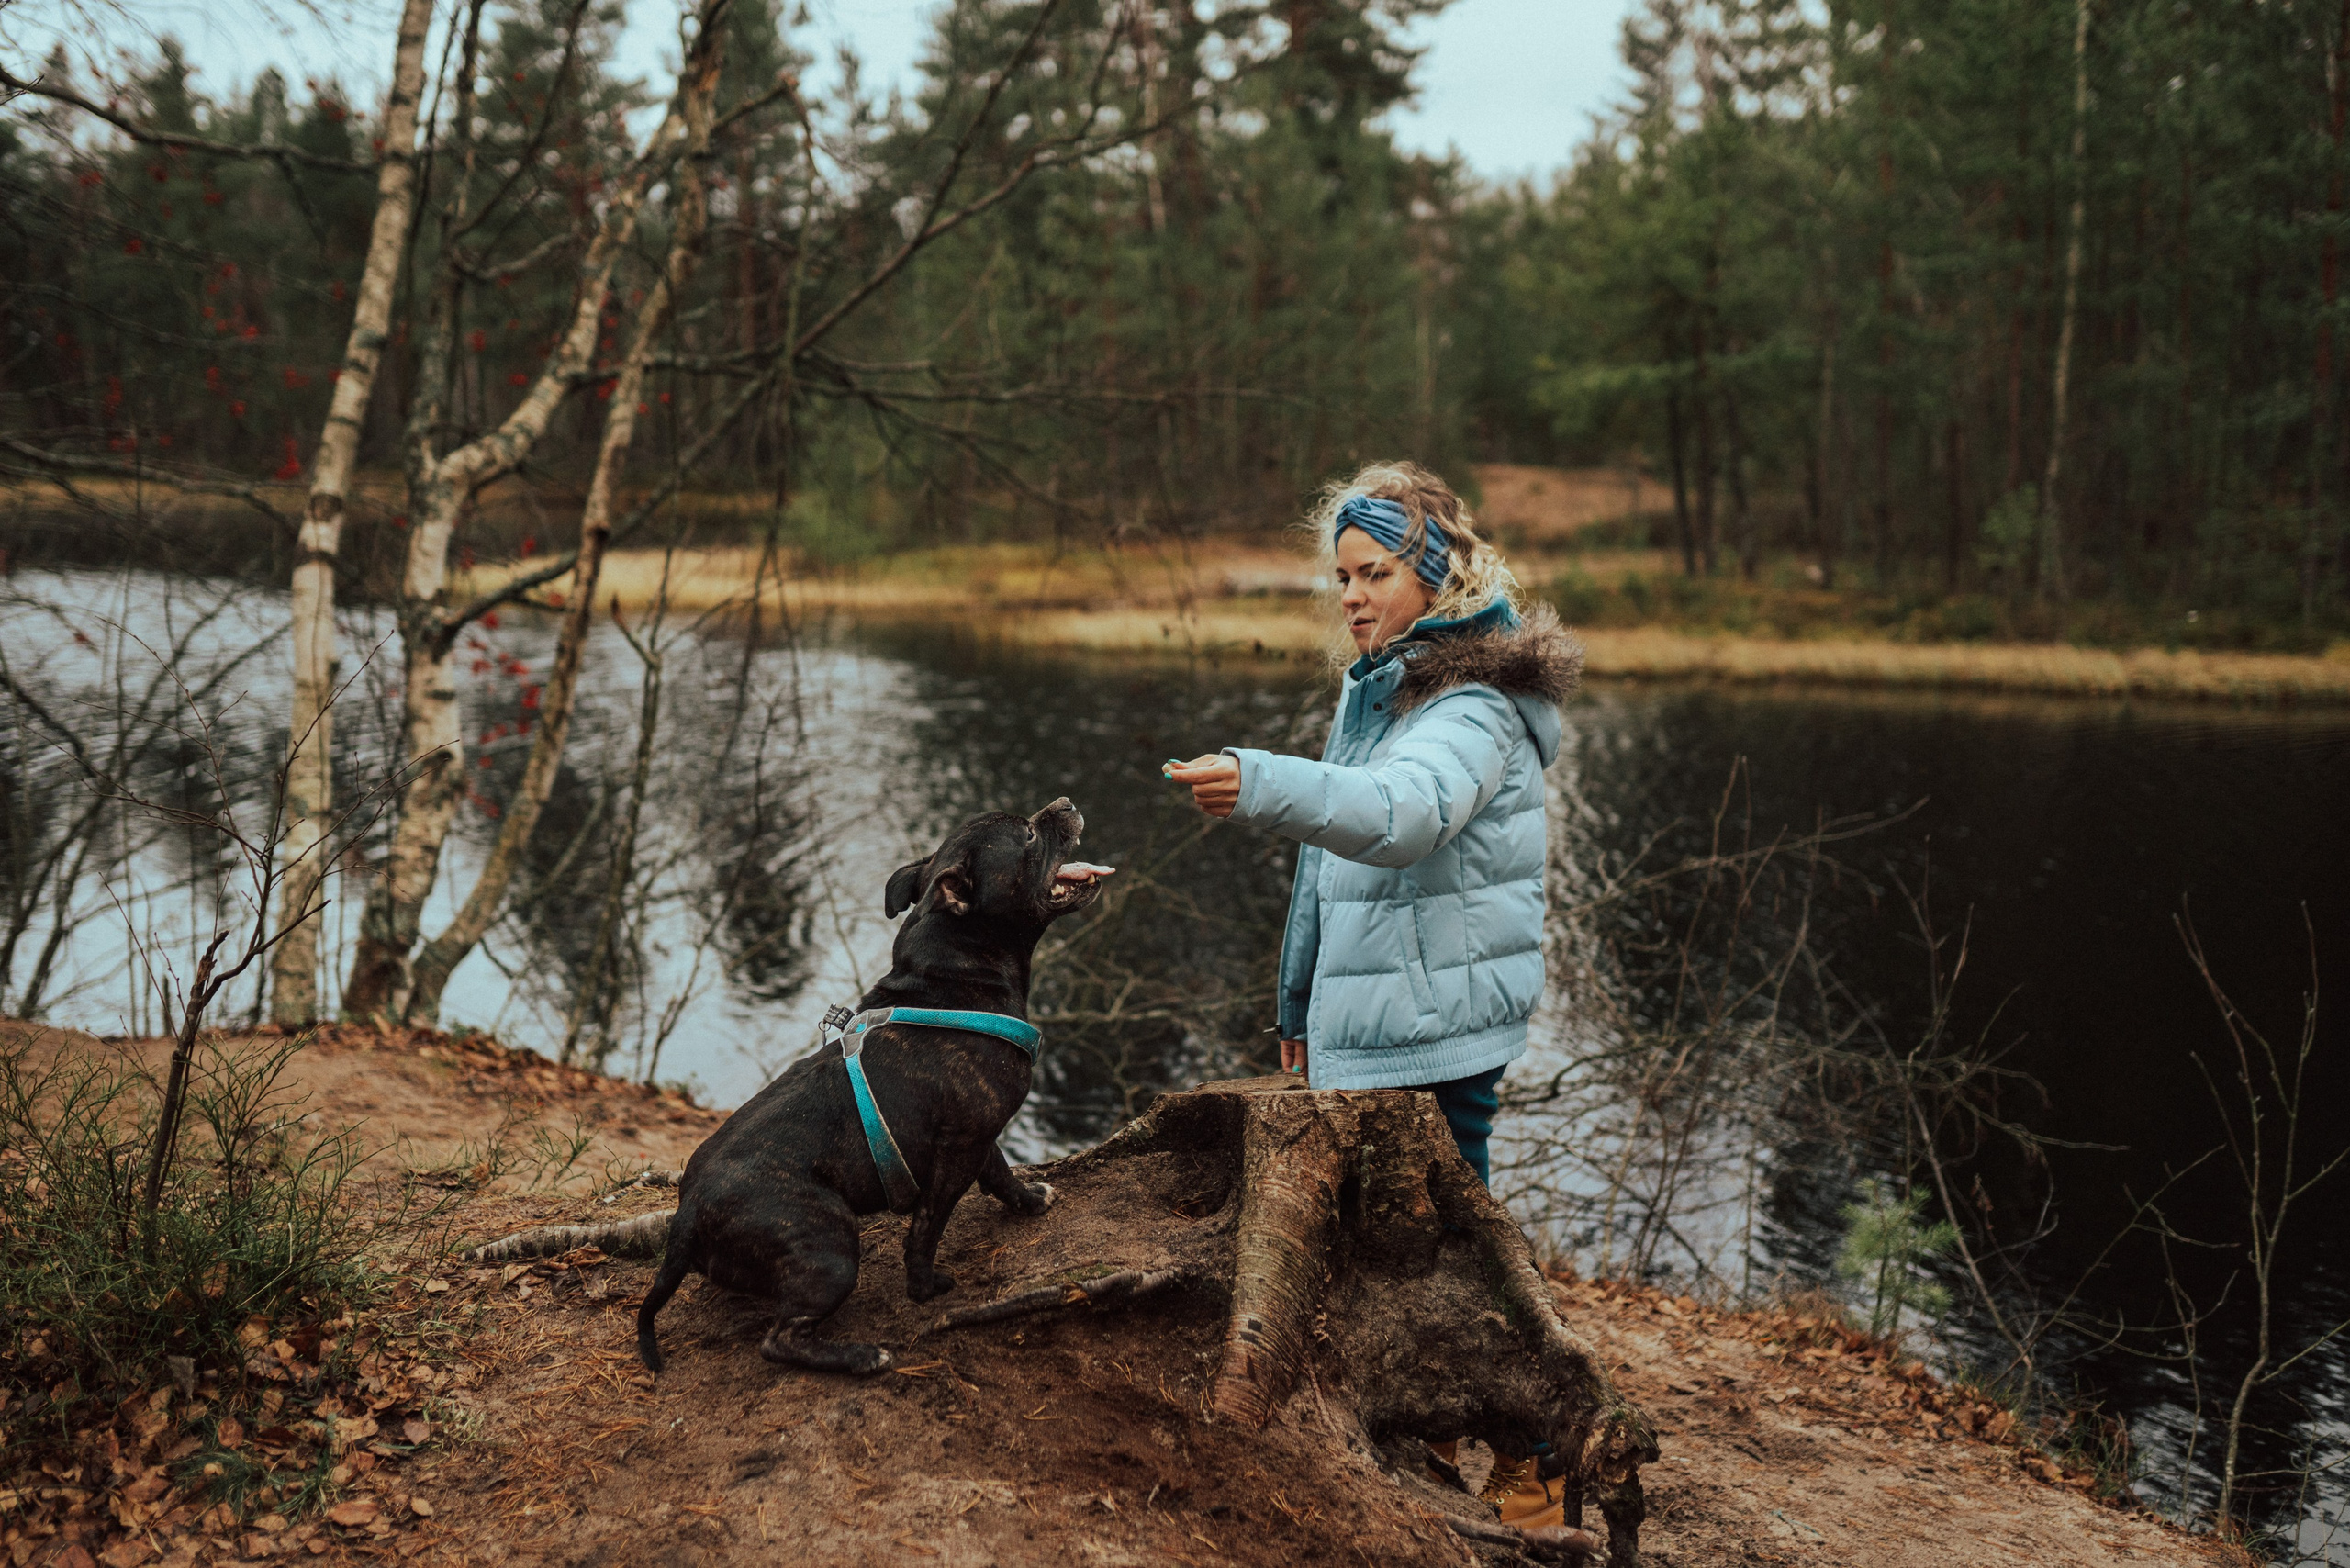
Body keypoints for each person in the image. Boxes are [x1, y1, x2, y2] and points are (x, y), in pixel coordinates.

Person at [1167, 460, 1582, 1522]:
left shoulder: (1473, 704)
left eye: (1375, 572)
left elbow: (1398, 819)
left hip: (1437, 1034)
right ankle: (1435, 1437)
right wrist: (1298, 1018)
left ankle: (1541, 1457)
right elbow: (1328, 882)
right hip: (1392, 1024)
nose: (1351, 595)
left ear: (1434, 574)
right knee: (1398, 1256)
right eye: (1342, 576)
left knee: (1458, 1266)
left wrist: (1260, 780)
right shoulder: (1391, 690)